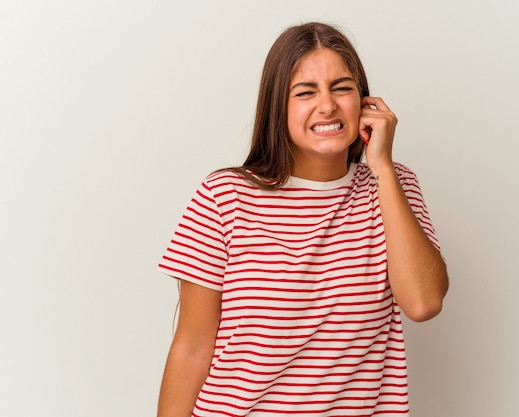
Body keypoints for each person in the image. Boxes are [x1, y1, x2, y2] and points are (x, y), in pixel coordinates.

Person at [156, 21, 448, 417]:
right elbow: (191, 348)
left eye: (342, 88)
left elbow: (423, 302)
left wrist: (381, 165)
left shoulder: (394, 187)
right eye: (305, 92)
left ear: (364, 101)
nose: (327, 105)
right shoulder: (224, 198)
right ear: (279, 105)